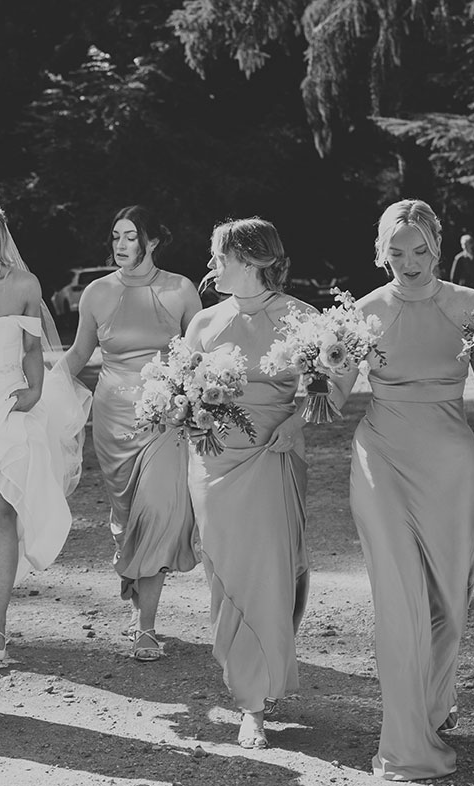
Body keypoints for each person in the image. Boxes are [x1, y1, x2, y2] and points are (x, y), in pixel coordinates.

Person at [331, 200, 474, 780]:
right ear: (381, 252)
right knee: (399, 597)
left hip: (448, 457)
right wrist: (312, 376)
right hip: (381, 453)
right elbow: (334, 392)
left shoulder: (468, 305)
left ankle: (432, 704)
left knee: (450, 595)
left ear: (437, 248)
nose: (408, 264)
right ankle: (406, 740)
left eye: (419, 252)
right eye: (396, 253)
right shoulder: (363, 311)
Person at [183, 217, 315, 750]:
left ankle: (252, 703)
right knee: (225, 576)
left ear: (254, 260)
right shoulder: (204, 323)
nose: (212, 266)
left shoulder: (302, 318)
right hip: (212, 463)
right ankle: (249, 683)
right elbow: (185, 388)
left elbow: (329, 386)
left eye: (220, 256)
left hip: (272, 456)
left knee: (268, 576)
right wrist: (187, 415)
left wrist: (296, 420)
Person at [0, 202, 91, 662]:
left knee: (1, 511)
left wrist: (35, 388)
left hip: (12, 403)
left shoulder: (24, 285)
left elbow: (34, 347)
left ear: (4, 239)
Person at [55, 205, 202, 661]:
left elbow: (199, 356)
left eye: (130, 236)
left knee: (157, 512)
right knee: (126, 518)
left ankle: (145, 628)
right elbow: (80, 353)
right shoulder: (97, 293)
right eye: (115, 236)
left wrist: (201, 403)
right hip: (113, 418)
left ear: (152, 241)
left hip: (166, 420)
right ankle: (131, 563)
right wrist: (41, 390)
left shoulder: (180, 290)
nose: (120, 245)